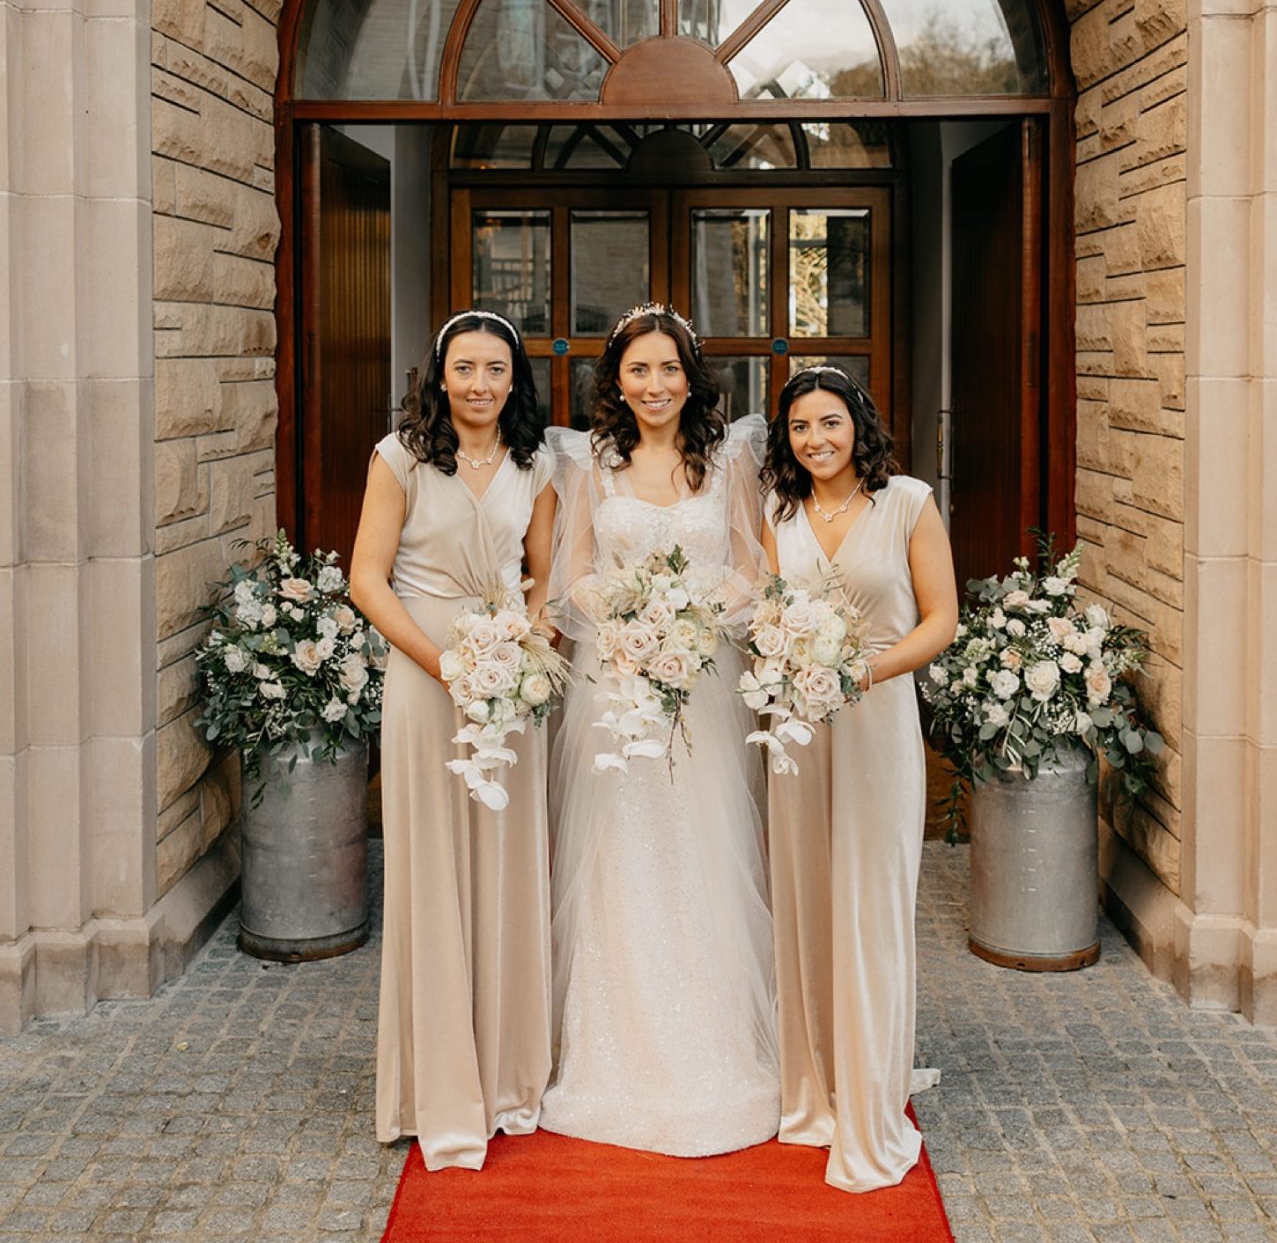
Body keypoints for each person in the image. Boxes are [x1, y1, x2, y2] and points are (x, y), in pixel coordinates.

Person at [539, 305, 779, 1155]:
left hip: (703, 680)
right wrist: (631, 619)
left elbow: (752, 571)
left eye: (668, 369)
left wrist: (690, 616)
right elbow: (571, 575)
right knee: (619, 847)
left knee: (704, 841)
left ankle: (714, 1043)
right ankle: (613, 1051)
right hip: (614, 683)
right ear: (616, 380)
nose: (654, 385)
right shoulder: (588, 464)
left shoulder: (727, 460)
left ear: (689, 377)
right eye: (638, 370)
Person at [349, 311, 557, 1172]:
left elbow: (546, 577)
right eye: (464, 368)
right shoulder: (398, 458)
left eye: (495, 369)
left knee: (506, 862)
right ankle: (433, 1082)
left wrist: (523, 645)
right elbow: (366, 579)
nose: (479, 384)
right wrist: (441, 664)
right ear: (439, 374)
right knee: (432, 861)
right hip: (424, 671)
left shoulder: (535, 463)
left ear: (514, 379)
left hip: (507, 676)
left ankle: (506, 1075)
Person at [760, 366, 958, 1191]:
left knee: (870, 901)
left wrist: (865, 672)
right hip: (798, 729)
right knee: (807, 897)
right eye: (800, 427)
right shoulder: (778, 512)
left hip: (876, 720)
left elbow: (941, 619)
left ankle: (871, 1094)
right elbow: (765, 613)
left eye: (830, 423)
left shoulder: (906, 502)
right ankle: (814, 1085)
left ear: (858, 425)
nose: (816, 440)